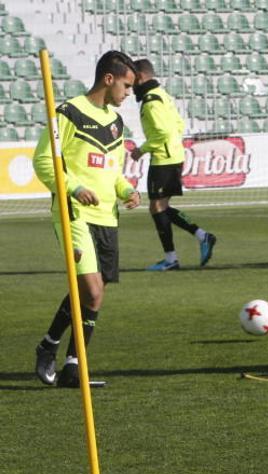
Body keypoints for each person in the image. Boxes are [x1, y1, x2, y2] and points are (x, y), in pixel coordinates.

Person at [33, 51, 141, 387]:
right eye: (126, 85)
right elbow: (43, 162)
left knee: (91, 294)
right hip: (75, 214)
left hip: (107, 218)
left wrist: (127, 191)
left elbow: (113, 172)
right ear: (109, 79)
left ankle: (72, 366)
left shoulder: (116, 123)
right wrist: (74, 188)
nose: (129, 93)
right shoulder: (67, 112)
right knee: (92, 291)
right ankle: (49, 346)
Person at [130, 58, 217, 271]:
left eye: (133, 79)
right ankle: (199, 238)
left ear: (140, 77)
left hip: (164, 159)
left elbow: (164, 132)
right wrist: (171, 145)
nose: (131, 85)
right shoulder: (163, 95)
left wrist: (142, 150)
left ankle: (174, 257)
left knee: (157, 207)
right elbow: (178, 125)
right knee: (160, 207)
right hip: (172, 155)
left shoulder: (151, 100)